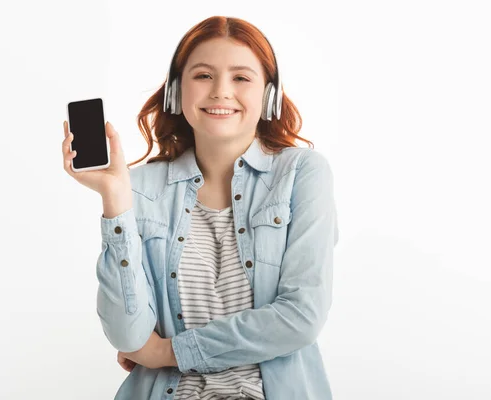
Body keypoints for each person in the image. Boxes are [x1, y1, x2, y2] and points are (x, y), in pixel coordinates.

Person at [62, 15, 339, 400]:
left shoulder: (302, 175)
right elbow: (128, 336)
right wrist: (116, 203)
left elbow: (300, 317)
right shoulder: (138, 188)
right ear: (176, 92)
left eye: (241, 77)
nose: (221, 91)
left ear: (269, 95)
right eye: (203, 76)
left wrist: (169, 351)